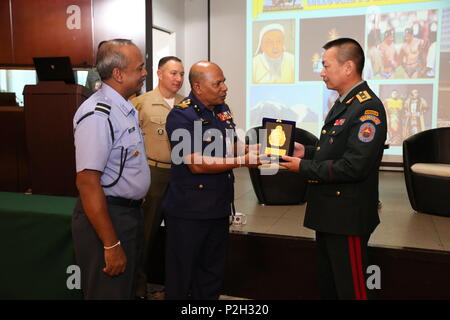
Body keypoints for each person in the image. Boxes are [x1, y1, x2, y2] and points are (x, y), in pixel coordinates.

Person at [281, 38, 387, 300]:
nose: (322, 72)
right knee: (331, 284)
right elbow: (335, 150)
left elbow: (354, 166)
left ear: (348, 67)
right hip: (331, 212)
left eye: (326, 65)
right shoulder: (344, 103)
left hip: (347, 216)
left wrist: (303, 167)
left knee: (353, 289)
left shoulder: (367, 108)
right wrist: (305, 152)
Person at [162, 61, 262, 300]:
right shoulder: (181, 115)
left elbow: (230, 145)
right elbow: (195, 163)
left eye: (224, 81)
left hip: (217, 207)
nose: (225, 87)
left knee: (211, 274)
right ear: (197, 86)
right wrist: (242, 162)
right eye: (218, 83)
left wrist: (254, 149)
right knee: (182, 275)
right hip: (189, 212)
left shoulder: (221, 108)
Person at [72, 39, 150, 299]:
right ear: (118, 73)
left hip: (127, 216)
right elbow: (87, 182)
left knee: (123, 291)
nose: (144, 73)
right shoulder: (98, 114)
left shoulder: (124, 109)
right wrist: (111, 243)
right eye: (139, 68)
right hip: (107, 219)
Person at [131, 56, 185, 299]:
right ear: (160, 73)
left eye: (181, 74)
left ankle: (173, 288)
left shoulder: (187, 105)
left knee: (179, 236)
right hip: (153, 174)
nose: (178, 79)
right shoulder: (140, 103)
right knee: (146, 234)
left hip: (182, 175)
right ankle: (139, 288)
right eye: (173, 73)